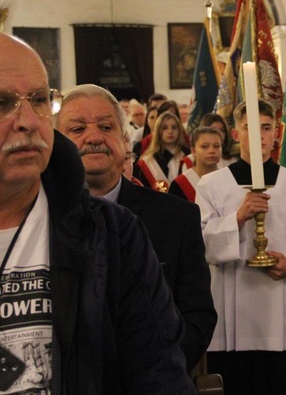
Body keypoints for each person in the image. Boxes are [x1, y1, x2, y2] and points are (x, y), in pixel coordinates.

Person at [0, 30, 195, 393]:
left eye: (38, 100)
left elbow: (159, 377)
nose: (29, 121)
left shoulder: (112, 234)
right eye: (0, 102)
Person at [54, 84, 218, 373]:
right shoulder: (34, 219)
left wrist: (157, 372)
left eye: (106, 127)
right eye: (77, 130)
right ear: (55, 144)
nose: (94, 137)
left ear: (125, 141)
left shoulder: (177, 219)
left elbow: (197, 316)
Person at [196, 99, 286, 395]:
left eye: (267, 128)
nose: (259, 136)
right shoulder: (211, 185)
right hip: (230, 320)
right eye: (251, 128)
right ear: (235, 134)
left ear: (277, 134)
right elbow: (201, 243)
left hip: (278, 310)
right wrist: (238, 217)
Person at [135, 111, 190, 192]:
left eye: (174, 127)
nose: (170, 131)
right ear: (158, 131)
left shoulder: (187, 155)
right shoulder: (148, 161)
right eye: (165, 128)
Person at [170, 126, 223, 202]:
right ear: (193, 151)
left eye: (216, 146)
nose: (212, 151)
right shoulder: (180, 185)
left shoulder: (229, 179)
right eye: (205, 146)